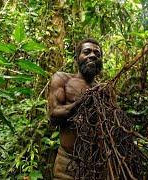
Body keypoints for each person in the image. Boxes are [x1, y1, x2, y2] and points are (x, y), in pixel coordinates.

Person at [48, 38, 106, 179]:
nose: (92, 55)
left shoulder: (104, 89)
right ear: (76, 58)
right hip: (67, 163)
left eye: (97, 54)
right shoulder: (62, 79)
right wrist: (80, 102)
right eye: (87, 52)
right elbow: (54, 115)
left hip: (97, 164)